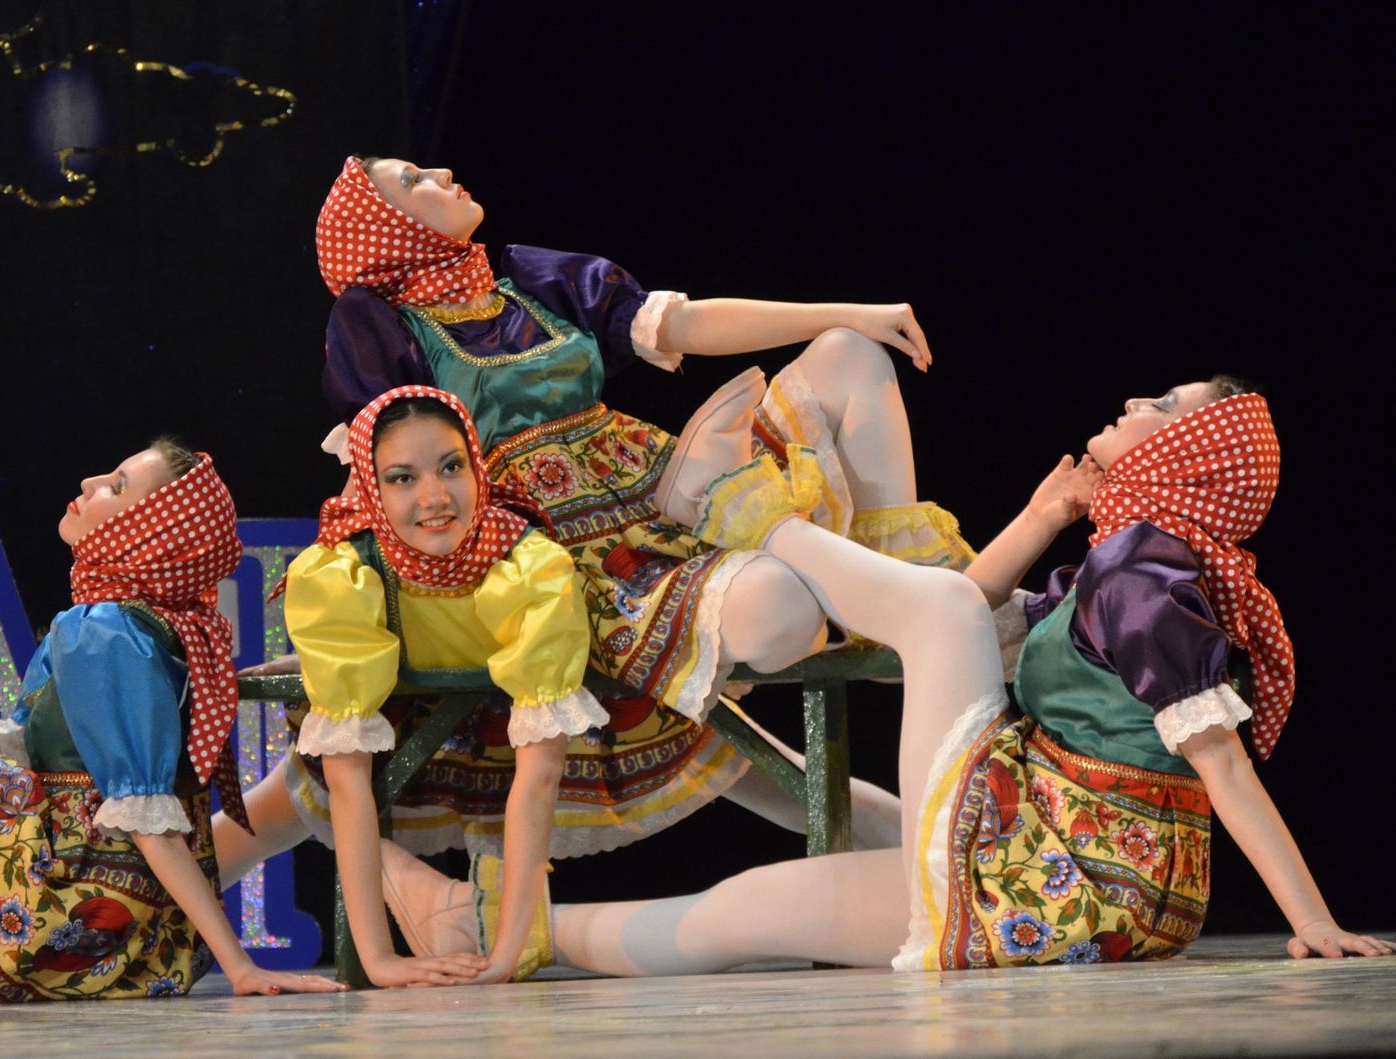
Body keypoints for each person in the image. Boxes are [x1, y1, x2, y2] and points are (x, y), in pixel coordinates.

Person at [380, 380, 1395, 972]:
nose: (1133, 403)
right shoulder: (1125, 562)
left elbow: (1222, 766)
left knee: (932, 619)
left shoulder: (1145, 574)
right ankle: (482, 918)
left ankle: (735, 509)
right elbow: (980, 611)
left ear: (1181, 454)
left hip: (1074, 883)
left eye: (1159, 406)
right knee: (750, 895)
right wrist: (1043, 515)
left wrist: (1310, 922)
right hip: (1040, 856)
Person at [268, 153, 986, 854]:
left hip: (659, 488)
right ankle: (940, 794)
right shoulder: (381, 326)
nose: (442, 175)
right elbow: (380, 475)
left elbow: (686, 325)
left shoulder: (526, 279)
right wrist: (352, 606)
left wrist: (852, 312)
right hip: (574, 557)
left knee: (849, 352)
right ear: (384, 227)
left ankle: (901, 598)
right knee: (783, 619)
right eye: (412, 181)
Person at [0, 442, 346, 1008]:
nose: (88, 483)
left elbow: (149, 822)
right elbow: (5, 757)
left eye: (117, 486)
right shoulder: (139, 623)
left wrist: (240, 966)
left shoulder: (106, 629)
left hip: (62, 909)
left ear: (150, 532)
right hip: (106, 913)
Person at [278, 386, 609, 987]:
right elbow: (348, 780)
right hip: (407, 725)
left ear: (477, 465)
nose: (434, 497)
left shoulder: (530, 567)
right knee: (291, 796)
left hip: (508, 724)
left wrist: (506, 957)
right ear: (372, 490)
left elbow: (541, 776)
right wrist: (380, 963)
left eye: (452, 467)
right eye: (402, 478)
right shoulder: (341, 576)